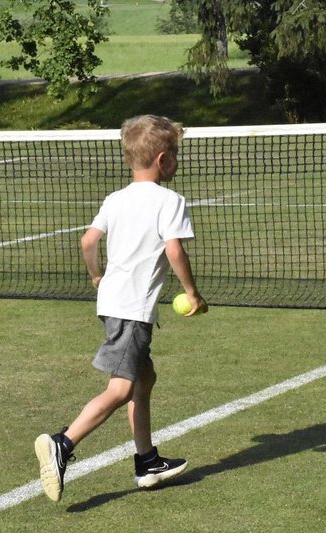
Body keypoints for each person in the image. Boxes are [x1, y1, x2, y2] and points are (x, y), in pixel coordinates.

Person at [35, 114, 208, 503]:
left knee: (144, 380)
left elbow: (88, 242)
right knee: (122, 388)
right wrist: (192, 293)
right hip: (133, 308)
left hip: (112, 300)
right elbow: (174, 249)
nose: (178, 159)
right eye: (176, 153)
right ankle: (62, 443)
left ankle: (147, 461)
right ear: (163, 159)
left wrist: (97, 277)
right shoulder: (170, 200)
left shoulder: (116, 199)